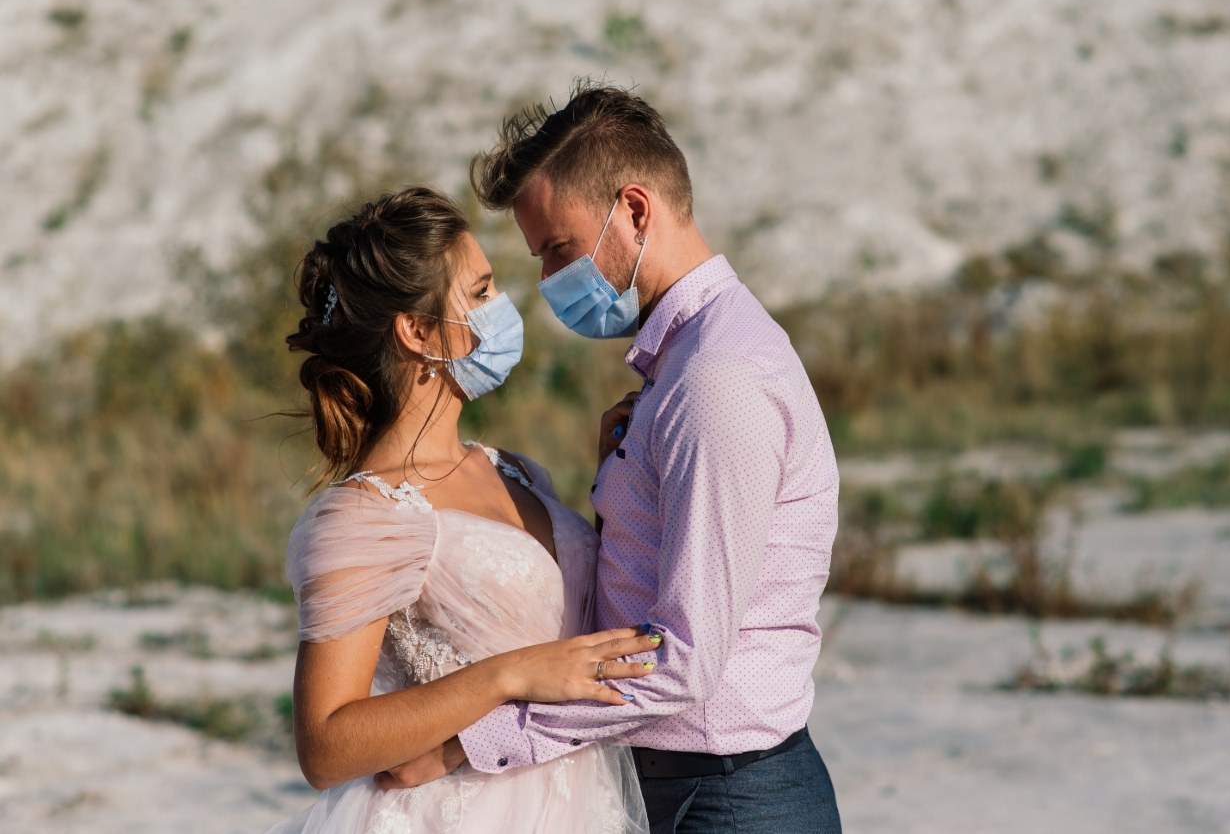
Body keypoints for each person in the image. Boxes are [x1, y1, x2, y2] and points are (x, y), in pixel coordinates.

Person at [443, 80, 844, 833]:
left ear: (633, 210)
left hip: (728, 799)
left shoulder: (716, 380)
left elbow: (686, 659)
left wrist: (478, 741)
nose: (551, 282)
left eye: (559, 250)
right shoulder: (680, 371)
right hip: (683, 788)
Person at [265, 185, 660, 833]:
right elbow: (325, 746)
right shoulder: (367, 515)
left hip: (579, 799)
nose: (502, 309)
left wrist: (610, 483)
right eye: (479, 294)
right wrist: (508, 675)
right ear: (417, 331)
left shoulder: (513, 469)